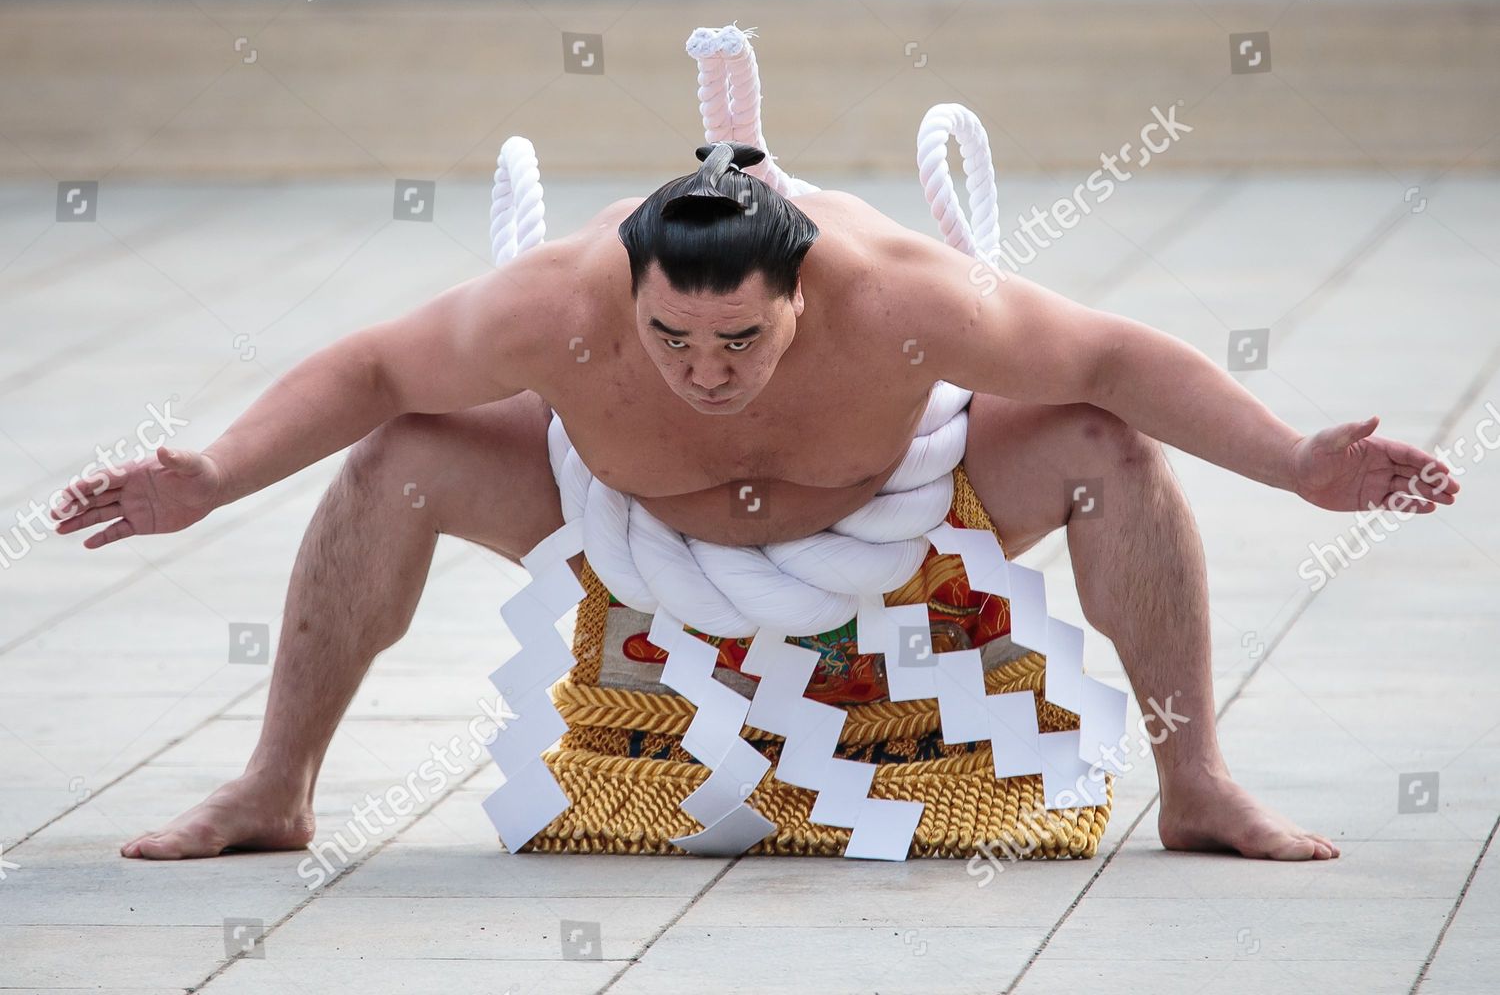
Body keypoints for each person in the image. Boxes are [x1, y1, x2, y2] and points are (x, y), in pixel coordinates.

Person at [54, 141, 1458, 862]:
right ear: (632, 298)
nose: (704, 370)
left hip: (904, 541)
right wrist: (213, 475)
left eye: (743, 340)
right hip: (620, 539)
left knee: (1100, 436)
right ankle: (273, 791)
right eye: (673, 340)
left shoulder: (904, 301)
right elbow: (367, 367)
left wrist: (1295, 463)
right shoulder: (557, 307)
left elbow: (1110, 355)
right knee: (399, 453)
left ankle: (1198, 786)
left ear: (806, 295)